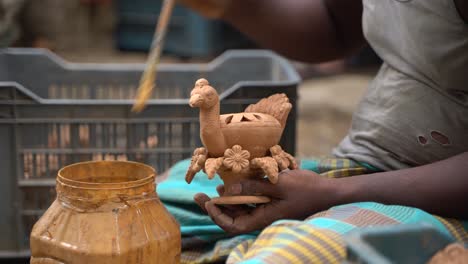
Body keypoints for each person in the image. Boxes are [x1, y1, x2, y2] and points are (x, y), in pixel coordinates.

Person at [167, 0, 468, 263]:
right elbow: (336, 26)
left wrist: (332, 195)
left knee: (281, 258)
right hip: (368, 165)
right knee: (144, 205)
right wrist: (232, 3)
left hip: (442, 197)